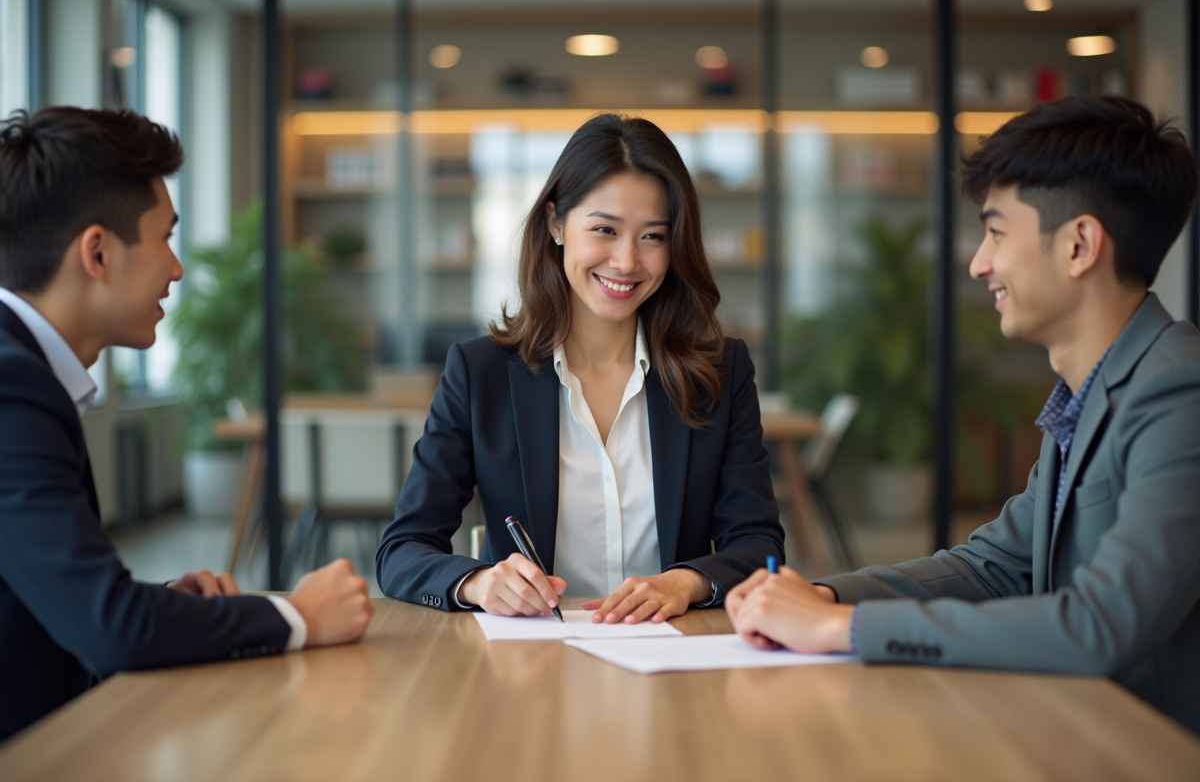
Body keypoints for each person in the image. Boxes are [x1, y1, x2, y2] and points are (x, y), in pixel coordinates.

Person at [725, 95, 1200, 734]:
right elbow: (994, 565)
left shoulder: (1178, 389)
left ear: (1080, 245)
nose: (979, 263)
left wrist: (843, 627)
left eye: (997, 232)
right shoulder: (1093, 393)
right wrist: (824, 596)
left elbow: (1100, 624)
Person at [0, 107, 376, 744]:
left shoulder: (24, 370)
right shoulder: (14, 387)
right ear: (97, 252)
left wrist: (166, 605)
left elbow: (47, 596)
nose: (175, 269)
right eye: (164, 238)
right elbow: (107, 628)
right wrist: (295, 614)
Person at [377, 114, 784, 624]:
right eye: (604, 230)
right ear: (555, 224)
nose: (626, 261)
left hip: (676, 659)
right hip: (534, 662)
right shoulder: (479, 374)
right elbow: (403, 550)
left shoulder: (721, 373)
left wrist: (686, 582)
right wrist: (480, 583)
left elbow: (758, 543)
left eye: (653, 237)